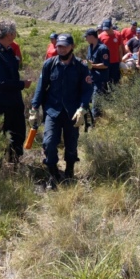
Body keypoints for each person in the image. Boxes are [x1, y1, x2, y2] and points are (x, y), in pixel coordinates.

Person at [30, 33, 93, 188]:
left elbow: (87, 90)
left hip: (73, 112)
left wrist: (83, 108)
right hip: (53, 111)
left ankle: (70, 172)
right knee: (49, 143)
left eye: (64, 46)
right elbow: (40, 87)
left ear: (71, 47)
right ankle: (54, 174)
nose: (61, 49)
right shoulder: (49, 64)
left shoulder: (81, 66)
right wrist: (34, 108)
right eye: (59, 46)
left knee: (71, 145)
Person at [0, 19, 31, 163]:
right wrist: (22, 84)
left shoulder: (9, 51)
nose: (15, 34)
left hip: (14, 103)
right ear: (9, 34)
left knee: (17, 135)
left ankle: (14, 165)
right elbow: (0, 82)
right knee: (0, 137)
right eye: (14, 32)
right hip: (1, 105)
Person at [84, 28, 110, 118]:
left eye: (86, 37)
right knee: (90, 99)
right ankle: (94, 117)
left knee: (96, 101)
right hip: (91, 78)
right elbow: (90, 61)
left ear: (91, 36)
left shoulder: (103, 48)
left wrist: (93, 65)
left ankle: (95, 120)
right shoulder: (90, 47)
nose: (85, 39)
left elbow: (105, 65)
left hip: (100, 78)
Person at [98, 19, 124, 84]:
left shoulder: (118, 35)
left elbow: (120, 49)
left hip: (115, 62)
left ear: (111, 26)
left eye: (108, 29)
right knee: (105, 82)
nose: (106, 30)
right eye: (105, 29)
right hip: (105, 63)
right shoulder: (100, 36)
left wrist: (120, 61)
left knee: (116, 81)